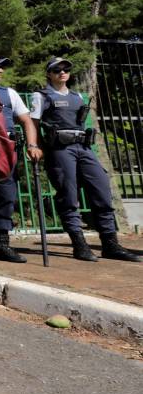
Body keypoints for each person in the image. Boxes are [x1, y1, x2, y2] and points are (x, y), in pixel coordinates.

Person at [30, 57, 140, 263]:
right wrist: (34, 146)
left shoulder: (77, 96)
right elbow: (33, 123)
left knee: (101, 189)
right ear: (49, 73)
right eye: (56, 69)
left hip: (83, 147)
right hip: (60, 149)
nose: (62, 72)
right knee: (68, 195)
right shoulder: (41, 96)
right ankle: (79, 245)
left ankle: (110, 244)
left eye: (66, 69)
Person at [0, 57, 43, 263]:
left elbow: (26, 120)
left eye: (2, 66)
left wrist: (32, 145)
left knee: (6, 196)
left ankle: (2, 244)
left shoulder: (10, 93)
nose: (0, 70)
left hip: (6, 151)